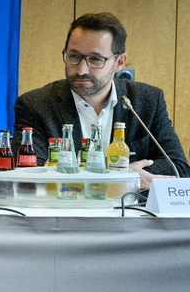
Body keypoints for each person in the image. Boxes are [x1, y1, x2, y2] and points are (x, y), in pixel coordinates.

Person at [13, 12, 189, 188]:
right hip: (64, 211)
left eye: (95, 59)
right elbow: (28, 176)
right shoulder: (36, 104)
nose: (81, 69)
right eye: (74, 56)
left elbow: (178, 168)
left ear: (119, 62)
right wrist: (122, 175)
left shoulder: (147, 101)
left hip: (131, 212)